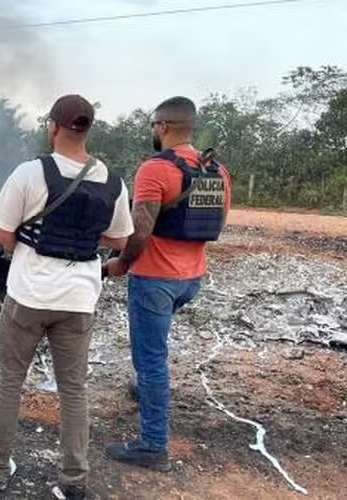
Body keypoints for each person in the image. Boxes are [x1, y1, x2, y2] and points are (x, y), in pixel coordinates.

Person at [0, 95, 134, 499]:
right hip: (79, 301)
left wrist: (26, 241)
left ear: (52, 127)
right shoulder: (113, 181)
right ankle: (74, 480)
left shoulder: (30, 173)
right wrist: (87, 237)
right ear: (88, 129)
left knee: (10, 380)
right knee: (74, 389)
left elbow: (2, 234)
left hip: (29, 296)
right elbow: (120, 239)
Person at [104, 96, 231, 471]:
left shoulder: (154, 169)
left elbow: (140, 230)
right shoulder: (217, 170)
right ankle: (145, 392)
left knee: (152, 359)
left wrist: (122, 262)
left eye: (152, 127)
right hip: (192, 279)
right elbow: (218, 222)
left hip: (155, 280)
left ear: (162, 127)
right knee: (153, 353)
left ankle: (153, 445)